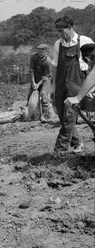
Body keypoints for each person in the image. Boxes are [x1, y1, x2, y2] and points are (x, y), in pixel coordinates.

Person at [51, 16, 95, 153]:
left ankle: (60, 149)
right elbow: (55, 66)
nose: (60, 34)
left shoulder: (84, 41)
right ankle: (77, 141)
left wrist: (91, 88)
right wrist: (53, 87)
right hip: (60, 82)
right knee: (61, 114)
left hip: (76, 83)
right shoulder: (58, 44)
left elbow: (92, 66)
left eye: (62, 30)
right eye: (57, 31)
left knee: (69, 116)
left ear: (70, 28)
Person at [28, 44, 55, 122]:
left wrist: (38, 84)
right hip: (36, 78)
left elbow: (46, 77)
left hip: (46, 80)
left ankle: (47, 117)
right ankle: (33, 116)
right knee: (30, 97)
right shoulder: (33, 58)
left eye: (42, 51)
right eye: (39, 51)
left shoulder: (48, 61)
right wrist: (33, 83)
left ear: (46, 52)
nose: (40, 52)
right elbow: (31, 71)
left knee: (43, 96)